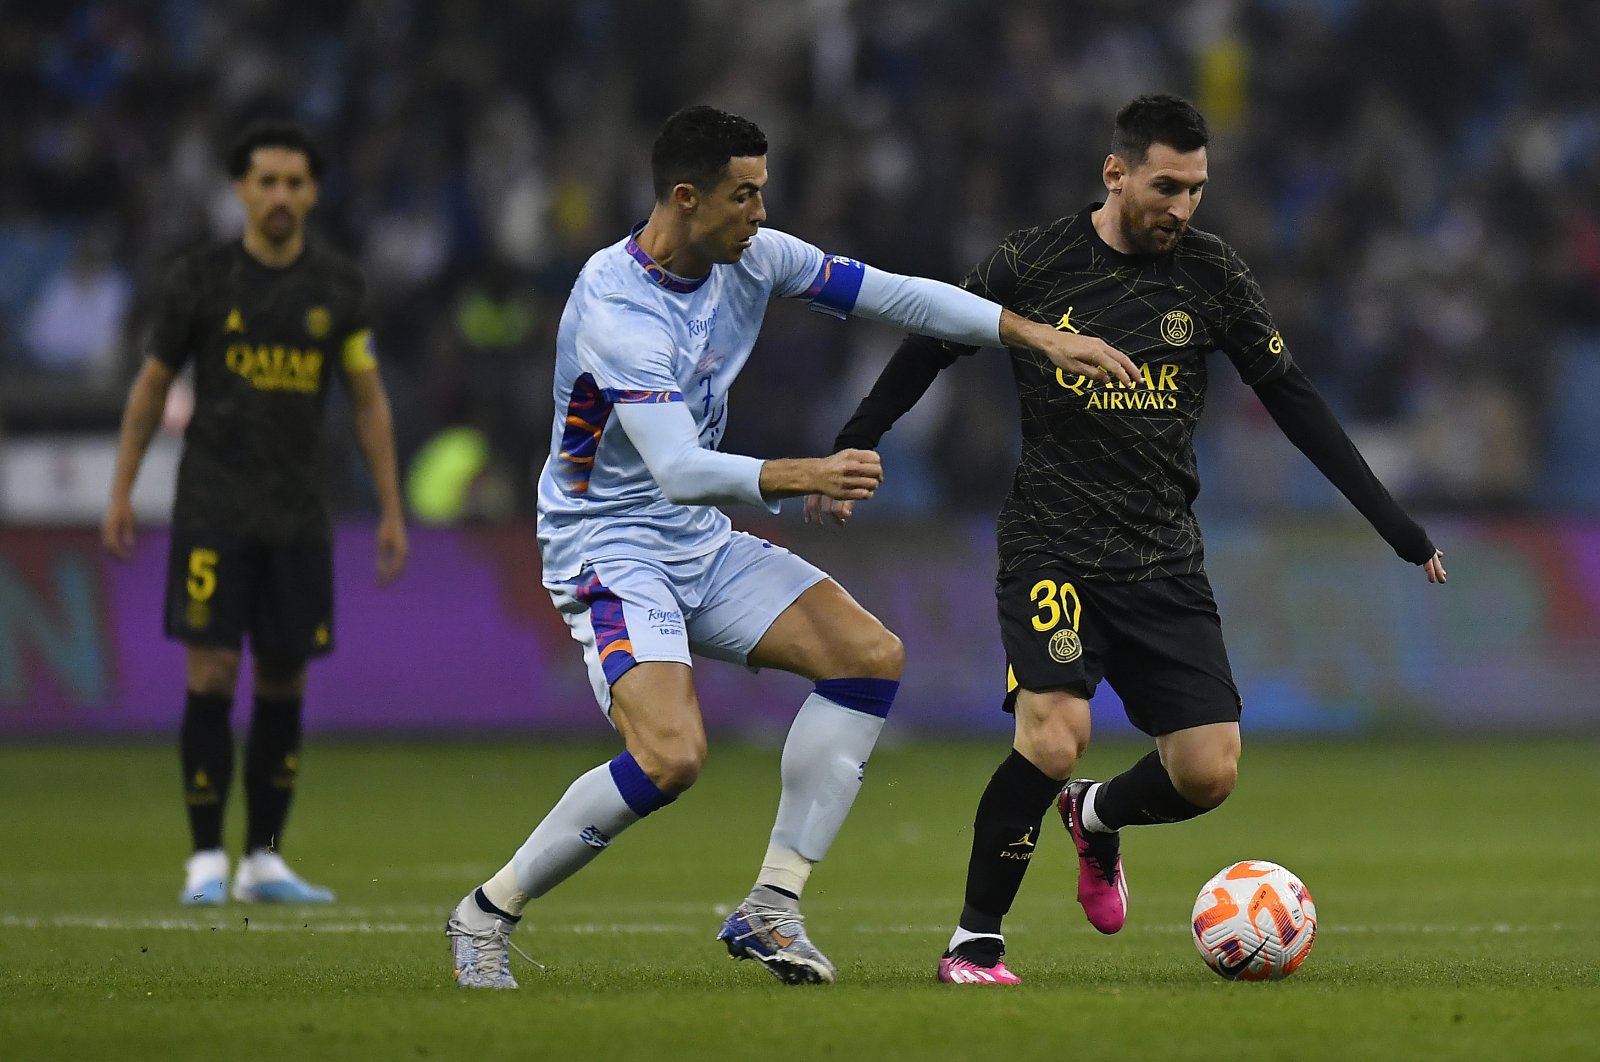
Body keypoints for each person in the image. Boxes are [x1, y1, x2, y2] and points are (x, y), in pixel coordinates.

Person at [444, 104, 1138, 989]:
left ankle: (773, 905)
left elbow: (896, 292)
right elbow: (679, 467)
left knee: (869, 657)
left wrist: (1034, 336)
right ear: (686, 199)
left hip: (696, 539)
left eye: (763, 193)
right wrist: (806, 473)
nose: (762, 214)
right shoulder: (614, 308)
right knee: (671, 756)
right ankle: (486, 912)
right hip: (609, 546)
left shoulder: (754, 258)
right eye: (745, 196)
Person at [809, 93, 1448, 986]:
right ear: (1115, 173)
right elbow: (932, 341)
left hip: (1162, 557)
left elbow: (1294, 401)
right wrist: (859, 436)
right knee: (1056, 728)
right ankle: (974, 942)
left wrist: (1396, 527)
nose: (1182, 209)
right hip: (1052, 545)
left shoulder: (1214, 276)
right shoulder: (1033, 262)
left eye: (1196, 190)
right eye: (1166, 186)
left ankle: (1096, 817)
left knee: (1207, 771)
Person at [102, 121, 409, 907]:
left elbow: (367, 400)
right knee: (210, 672)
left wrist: (390, 508)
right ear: (240, 189)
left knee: (284, 681)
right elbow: (149, 386)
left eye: (294, 183)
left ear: (312, 192)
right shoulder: (199, 280)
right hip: (213, 507)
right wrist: (121, 489)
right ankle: (204, 857)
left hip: (299, 516)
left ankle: (264, 858)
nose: (280, 196)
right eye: (265, 181)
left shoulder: (337, 289)